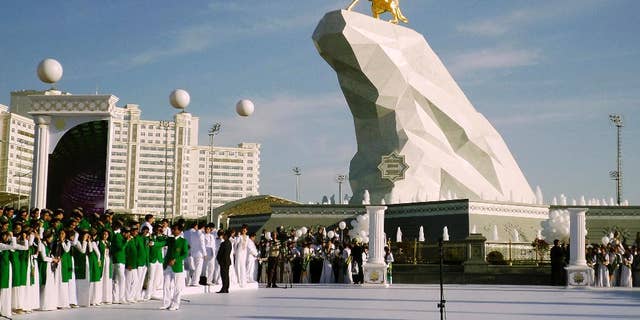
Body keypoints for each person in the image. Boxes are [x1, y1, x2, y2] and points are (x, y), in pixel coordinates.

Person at [162, 224, 189, 311]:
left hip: (177, 267)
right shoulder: (169, 239)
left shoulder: (183, 241)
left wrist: (176, 260)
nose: (173, 231)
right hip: (167, 266)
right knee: (166, 285)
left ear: (180, 231)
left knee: (177, 287)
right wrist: (153, 243)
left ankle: (175, 304)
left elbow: (185, 254)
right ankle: (166, 303)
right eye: (172, 229)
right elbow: (162, 243)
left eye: (175, 229)